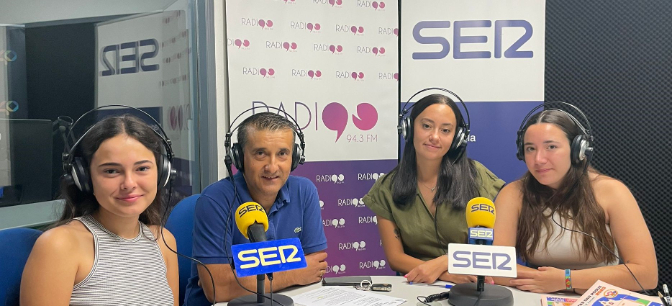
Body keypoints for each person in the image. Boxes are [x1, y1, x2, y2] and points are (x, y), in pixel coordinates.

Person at [493, 108, 658, 293]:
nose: (538, 159)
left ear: (577, 150)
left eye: (551, 147)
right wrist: (546, 281)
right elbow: (497, 269)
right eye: (530, 148)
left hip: (600, 296)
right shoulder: (513, 194)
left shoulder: (612, 192)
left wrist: (566, 280)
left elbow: (646, 274)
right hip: (538, 294)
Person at [20, 114, 179, 306]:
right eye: (111, 171)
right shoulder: (60, 246)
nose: (129, 183)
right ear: (84, 178)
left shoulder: (163, 241)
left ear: (162, 173)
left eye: (142, 168)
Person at [184, 112, 327, 305]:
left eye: (282, 154)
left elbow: (315, 267)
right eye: (261, 153)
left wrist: (240, 276)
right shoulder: (215, 200)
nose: (272, 166)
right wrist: (295, 272)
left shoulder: (304, 191)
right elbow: (217, 289)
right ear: (239, 158)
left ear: (294, 157)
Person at [362, 93, 505, 284]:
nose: (434, 137)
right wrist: (446, 274)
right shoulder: (387, 187)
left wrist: (445, 262)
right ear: (410, 128)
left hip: (470, 287)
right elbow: (395, 258)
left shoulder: (477, 177)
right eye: (426, 126)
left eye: (445, 130)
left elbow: (495, 247)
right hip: (417, 285)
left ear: (457, 137)